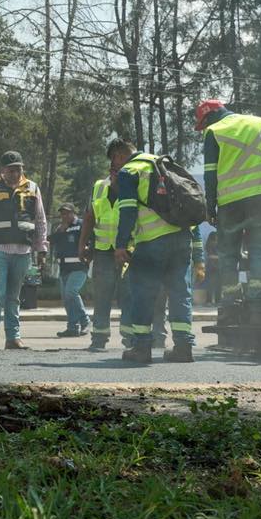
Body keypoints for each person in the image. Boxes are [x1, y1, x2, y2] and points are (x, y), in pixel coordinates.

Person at [112, 138, 194, 364]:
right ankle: (184, 347)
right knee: (180, 292)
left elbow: (127, 211)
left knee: (143, 294)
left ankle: (141, 348)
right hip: (181, 238)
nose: (115, 167)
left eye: (114, 161)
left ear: (119, 155)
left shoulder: (130, 171)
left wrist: (121, 245)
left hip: (151, 242)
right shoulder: (164, 164)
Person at [196, 99, 261, 308]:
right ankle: (258, 299)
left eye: (203, 124)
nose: (204, 129)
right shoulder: (260, 123)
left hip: (231, 202)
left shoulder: (214, 131)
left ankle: (230, 300)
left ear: (209, 116)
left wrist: (210, 207)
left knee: (228, 253)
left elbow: (210, 174)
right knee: (259, 250)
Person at [0, 150, 48, 351]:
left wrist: (41, 248)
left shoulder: (33, 188)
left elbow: (40, 220)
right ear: (2, 170)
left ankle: (13, 338)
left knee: (14, 297)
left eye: (18, 169)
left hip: (23, 253)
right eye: (11, 170)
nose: (15, 173)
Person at [79, 155, 128, 351]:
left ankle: (131, 340)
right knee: (102, 296)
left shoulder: (135, 187)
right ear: (111, 172)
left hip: (128, 253)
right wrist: (83, 244)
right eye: (116, 171)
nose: (120, 176)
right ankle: (99, 338)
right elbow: (89, 217)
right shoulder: (99, 187)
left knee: (129, 296)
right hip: (103, 252)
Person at [50, 202, 89, 338]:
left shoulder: (81, 224)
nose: (64, 216)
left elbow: (89, 239)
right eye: (62, 213)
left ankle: (85, 321)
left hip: (79, 266)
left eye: (67, 213)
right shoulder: (60, 228)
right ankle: (72, 327)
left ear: (73, 213)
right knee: (67, 299)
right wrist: (60, 231)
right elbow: (51, 241)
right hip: (64, 268)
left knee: (71, 292)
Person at [203, 231, 221, 305]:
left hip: (211, 266)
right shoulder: (212, 245)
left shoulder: (209, 244)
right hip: (214, 266)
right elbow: (210, 256)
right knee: (216, 285)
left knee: (211, 285)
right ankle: (216, 301)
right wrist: (220, 257)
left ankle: (210, 301)